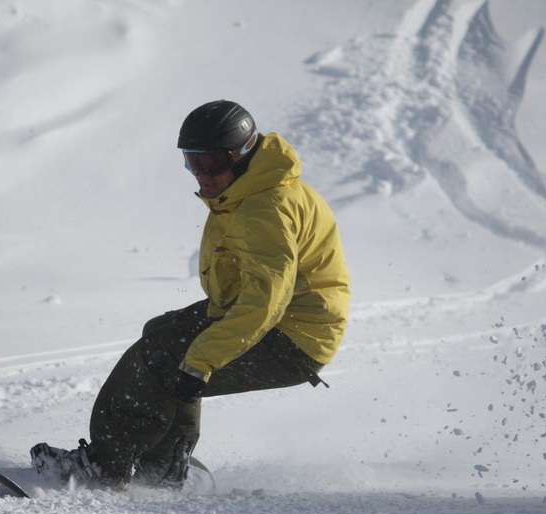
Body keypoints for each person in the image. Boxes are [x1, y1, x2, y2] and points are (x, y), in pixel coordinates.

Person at [30, 100, 351, 491]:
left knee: (166, 359)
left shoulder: (264, 207)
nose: (202, 174)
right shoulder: (255, 187)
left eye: (212, 162)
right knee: (161, 336)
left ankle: (105, 469)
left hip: (289, 340)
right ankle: (161, 467)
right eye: (192, 162)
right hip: (283, 325)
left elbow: (266, 301)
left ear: (243, 153)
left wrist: (201, 362)